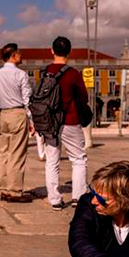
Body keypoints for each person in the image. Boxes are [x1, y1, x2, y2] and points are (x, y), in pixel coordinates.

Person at [42, 36, 89, 211]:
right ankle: (78, 197)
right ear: (70, 51)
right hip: (70, 121)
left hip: (49, 123)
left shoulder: (45, 71)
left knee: (52, 161)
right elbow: (83, 98)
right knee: (78, 159)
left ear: (52, 50)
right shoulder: (73, 73)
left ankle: (55, 200)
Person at [0, 43, 33, 203]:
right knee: (17, 153)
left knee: (4, 153)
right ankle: (14, 191)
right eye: (19, 54)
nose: (21, 56)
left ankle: (5, 189)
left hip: (3, 115)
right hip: (18, 113)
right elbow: (27, 99)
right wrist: (31, 119)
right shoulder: (21, 75)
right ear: (13, 55)